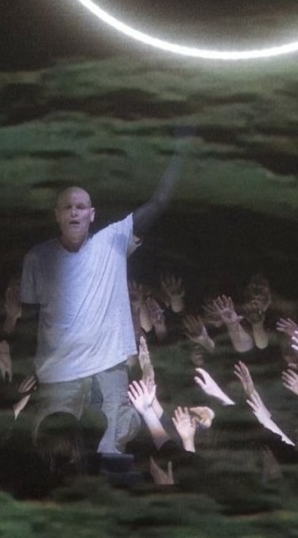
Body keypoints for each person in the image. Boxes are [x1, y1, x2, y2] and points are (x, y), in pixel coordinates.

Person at [20, 141, 185, 470]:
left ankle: (115, 474)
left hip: (109, 364)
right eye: (67, 207)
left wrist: (181, 149)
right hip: (59, 371)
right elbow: (27, 315)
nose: (74, 212)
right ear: (57, 214)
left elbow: (158, 202)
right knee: (56, 444)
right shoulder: (38, 257)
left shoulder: (112, 240)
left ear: (91, 214)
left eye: (81, 206)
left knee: (113, 445)